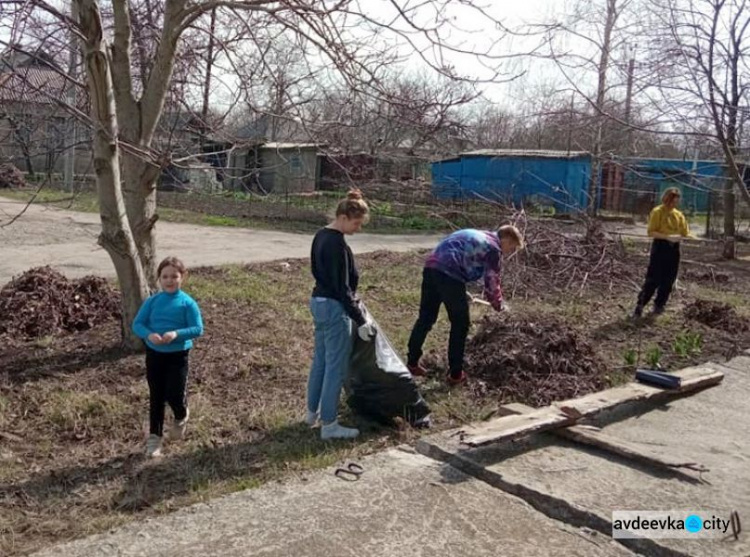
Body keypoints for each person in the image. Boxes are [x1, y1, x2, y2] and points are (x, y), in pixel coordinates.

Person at [407, 225, 524, 385]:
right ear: (506, 239)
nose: (508, 251)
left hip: (431, 268)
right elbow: (491, 280)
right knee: (461, 324)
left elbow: (459, 256)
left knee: (426, 319)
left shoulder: (478, 234)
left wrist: (460, 291)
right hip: (449, 274)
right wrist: (499, 305)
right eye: (511, 247)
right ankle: (455, 374)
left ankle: (412, 363)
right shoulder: (493, 248)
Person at [307, 189, 374, 440]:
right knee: (335, 366)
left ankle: (311, 413)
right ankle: (329, 424)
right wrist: (360, 320)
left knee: (321, 361)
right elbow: (342, 287)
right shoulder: (336, 244)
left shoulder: (320, 235)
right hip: (334, 307)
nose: (357, 229)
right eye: (356, 223)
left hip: (318, 301)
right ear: (344, 217)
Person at [132, 256, 204, 458]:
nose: (170, 280)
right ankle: (155, 439)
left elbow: (198, 329)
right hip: (155, 354)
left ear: (183, 277)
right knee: (156, 396)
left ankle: (181, 415)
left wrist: (176, 334)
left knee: (174, 393)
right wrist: (149, 334)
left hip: (178, 356)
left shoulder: (187, 303)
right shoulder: (153, 302)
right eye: (165, 277)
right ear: (159, 279)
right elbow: (137, 324)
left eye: (174, 276)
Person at [633, 187, 692, 318]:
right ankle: (640, 305)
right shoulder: (657, 211)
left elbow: (685, 232)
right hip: (660, 246)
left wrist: (684, 237)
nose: (673, 204)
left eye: (675, 202)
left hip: (674, 248)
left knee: (669, 279)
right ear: (666, 199)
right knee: (654, 278)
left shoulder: (679, 214)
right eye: (671, 201)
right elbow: (651, 232)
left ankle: (659, 304)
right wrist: (666, 237)